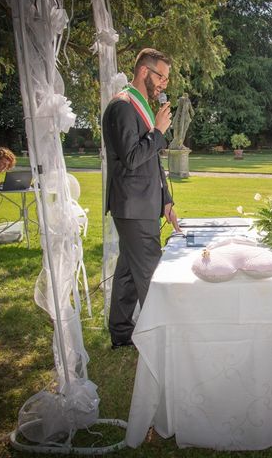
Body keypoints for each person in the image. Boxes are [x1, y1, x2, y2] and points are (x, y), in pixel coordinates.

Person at [103, 48, 180, 349]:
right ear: (145, 72)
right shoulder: (122, 106)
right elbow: (133, 157)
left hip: (144, 203)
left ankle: (121, 332)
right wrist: (159, 131)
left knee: (127, 273)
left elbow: (151, 163)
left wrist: (166, 199)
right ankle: (160, 339)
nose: (164, 84)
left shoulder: (140, 108)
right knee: (151, 272)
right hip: (133, 206)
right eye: (162, 77)